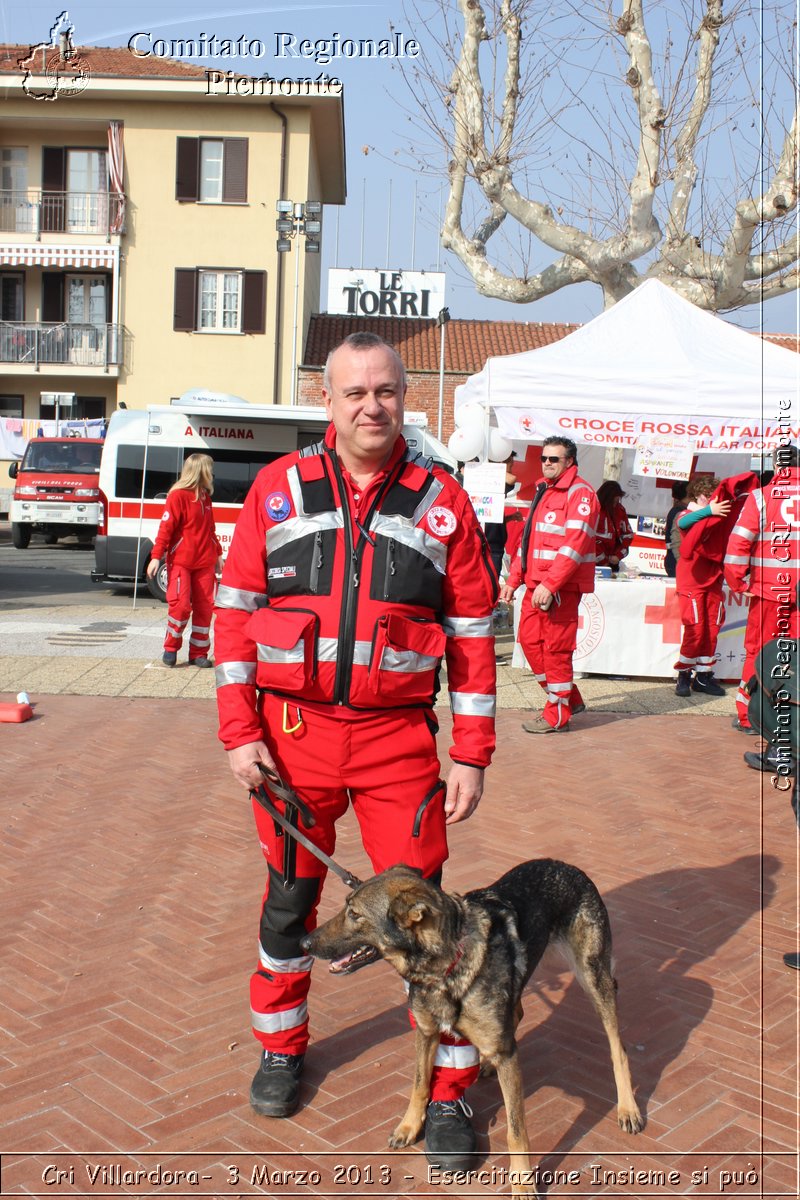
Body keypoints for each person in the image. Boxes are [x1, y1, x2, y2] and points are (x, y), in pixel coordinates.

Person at [213, 332, 498, 1168]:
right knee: (289, 904)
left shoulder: (443, 503)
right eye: (353, 393)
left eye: (386, 391)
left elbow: (473, 637)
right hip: (291, 740)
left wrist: (472, 751)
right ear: (326, 402)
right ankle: (281, 1046)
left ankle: (450, 1092)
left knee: (430, 925)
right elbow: (232, 618)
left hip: (396, 746)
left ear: (405, 397)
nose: (371, 405)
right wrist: (240, 734)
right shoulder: (276, 490)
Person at [499, 436, 599, 733]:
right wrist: (513, 579)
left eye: (554, 459)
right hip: (534, 584)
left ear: (570, 461)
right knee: (530, 644)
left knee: (555, 649)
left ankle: (557, 714)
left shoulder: (580, 494)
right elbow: (527, 542)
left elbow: (575, 544)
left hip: (559, 589)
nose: (546, 463)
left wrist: (551, 584)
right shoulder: (545, 490)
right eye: (544, 458)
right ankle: (569, 698)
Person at [724, 444, 800, 733]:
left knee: (759, 653)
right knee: (797, 655)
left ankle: (749, 716)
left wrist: (737, 581)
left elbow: (738, 545)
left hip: (769, 592)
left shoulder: (761, 498)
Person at [672, 473, 755, 698]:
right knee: (695, 628)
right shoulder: (689, 513)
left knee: (712, 628)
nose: (713, 500)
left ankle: (703, 675)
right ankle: (683, 675)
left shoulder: (719, 517)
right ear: (698, 496)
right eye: (708, 497)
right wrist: (709, 511)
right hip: (692, 581)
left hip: (713, 579)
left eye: (713, 497)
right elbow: (682, 522)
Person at [146, 452, 222, 668]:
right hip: (182, 562)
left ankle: (198, 653)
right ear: (200, 471)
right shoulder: (178, 496)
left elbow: (210, 530)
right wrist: (155, 557)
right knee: (180, 607)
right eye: (209, 469)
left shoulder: (205, 498)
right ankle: (171, 648)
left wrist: (217, 554)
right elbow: (165, 529)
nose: (212, 474)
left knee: (205, 608)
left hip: (204, 563)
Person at [595, 480, 633, 573]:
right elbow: (591, 540)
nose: (615, 504)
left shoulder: (620, 510)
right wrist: (604, 562)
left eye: (617, 501)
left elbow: (628, 535)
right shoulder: (595, 510)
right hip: (596, 563)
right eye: (614, 501)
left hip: (613, 562)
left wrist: (618, 556)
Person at [663, 480, 688, 577]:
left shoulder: (677, 509)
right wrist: (682, 563)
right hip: (676, 560)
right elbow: (676, 542)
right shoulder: (679, 512)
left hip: (673, 559)